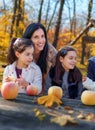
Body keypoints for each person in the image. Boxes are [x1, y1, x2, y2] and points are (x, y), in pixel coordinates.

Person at [22, 23, 57, 93]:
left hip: (46, 94)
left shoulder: (52, 53)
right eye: (36, 37)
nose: (41, 41)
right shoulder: (21, 51)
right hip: (23, 92)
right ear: (29, 39)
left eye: (42, 36)